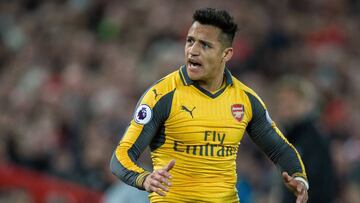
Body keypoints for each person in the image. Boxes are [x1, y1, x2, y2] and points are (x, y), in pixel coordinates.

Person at [110, 8, 309, 203]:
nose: (193, 51)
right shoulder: (162, 95)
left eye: (205, 45)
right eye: (190, 41)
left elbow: (281, 149)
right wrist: (145, 178)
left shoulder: (245, 99)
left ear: (226, 54)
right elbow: (121, 157)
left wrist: (299, 178)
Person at [275, 76, 335, 203]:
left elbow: (319, 188)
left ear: (307, 104)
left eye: (291, 103)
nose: (284, 107)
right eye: (281, 101)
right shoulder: (289, 137)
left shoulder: (314, 140)